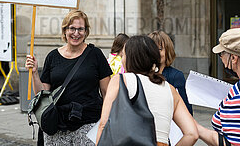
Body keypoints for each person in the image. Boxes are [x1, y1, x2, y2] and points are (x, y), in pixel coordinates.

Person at [25, 10, 112, 145]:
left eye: (80, 29)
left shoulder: (95, 54)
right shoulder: (52, 56)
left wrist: (106, 122)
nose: (76, 33)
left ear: (86, 31)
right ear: (65, 30)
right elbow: (41, 95)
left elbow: (107, 93)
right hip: (57, 126)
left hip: (88, 125)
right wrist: (35, 73)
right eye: (72, 28)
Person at [96, 35, 198, 146]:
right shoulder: (170, 89)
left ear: (131, 58)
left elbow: (103, 124)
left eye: (124, 55)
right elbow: (192, 134)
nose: (122, 59)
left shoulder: (121, 80)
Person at [149, 31, 193, 115]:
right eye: (152, 49)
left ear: (168, 50)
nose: (156, 53)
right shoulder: (143, 74)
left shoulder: (176, 76)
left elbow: (187, 111)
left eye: (160, 49)